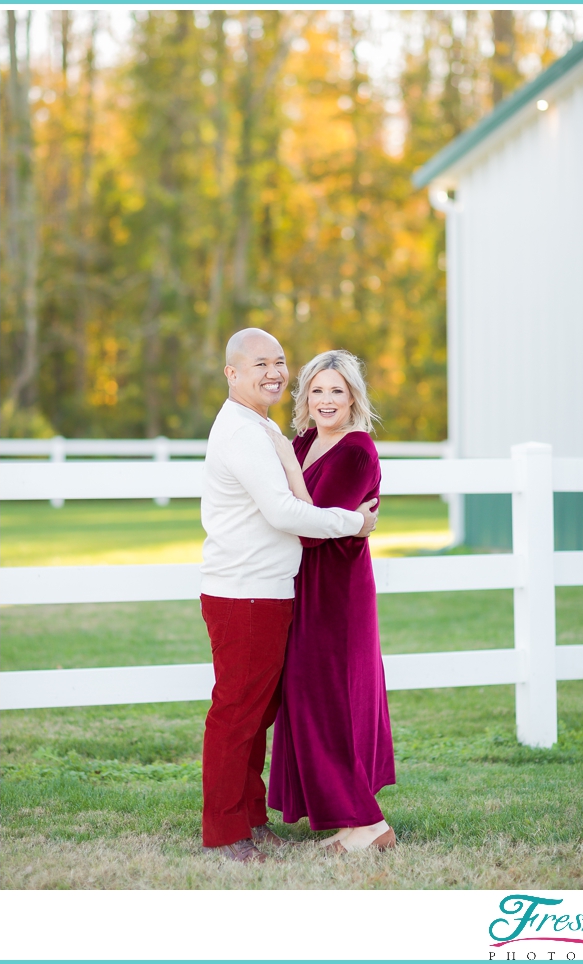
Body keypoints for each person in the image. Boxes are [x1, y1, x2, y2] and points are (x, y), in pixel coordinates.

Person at [200, 329, 379, 864]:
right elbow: (283, 513)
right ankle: (226, 832)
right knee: (237, 713)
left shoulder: (261, 427)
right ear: (232, 372)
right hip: (246, 591)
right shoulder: (244, 433)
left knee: (256, 713)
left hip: (268, 591)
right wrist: (355, 521)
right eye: (260, 363)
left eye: (279, 362)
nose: (273, 371)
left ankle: (251, 818)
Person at [265, 350, 398, 854]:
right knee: (303, 699)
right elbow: (285, 511)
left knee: (334, 700)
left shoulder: (358, 451)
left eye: (336, 391)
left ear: (353, 398)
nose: (326, 400)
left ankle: (364, 823)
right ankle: (349, 817)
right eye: (317, 391)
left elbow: (314, 531)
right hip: (300, 587)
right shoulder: (300, 444)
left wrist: (298, 509)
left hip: (337, 594)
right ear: (305, 398)